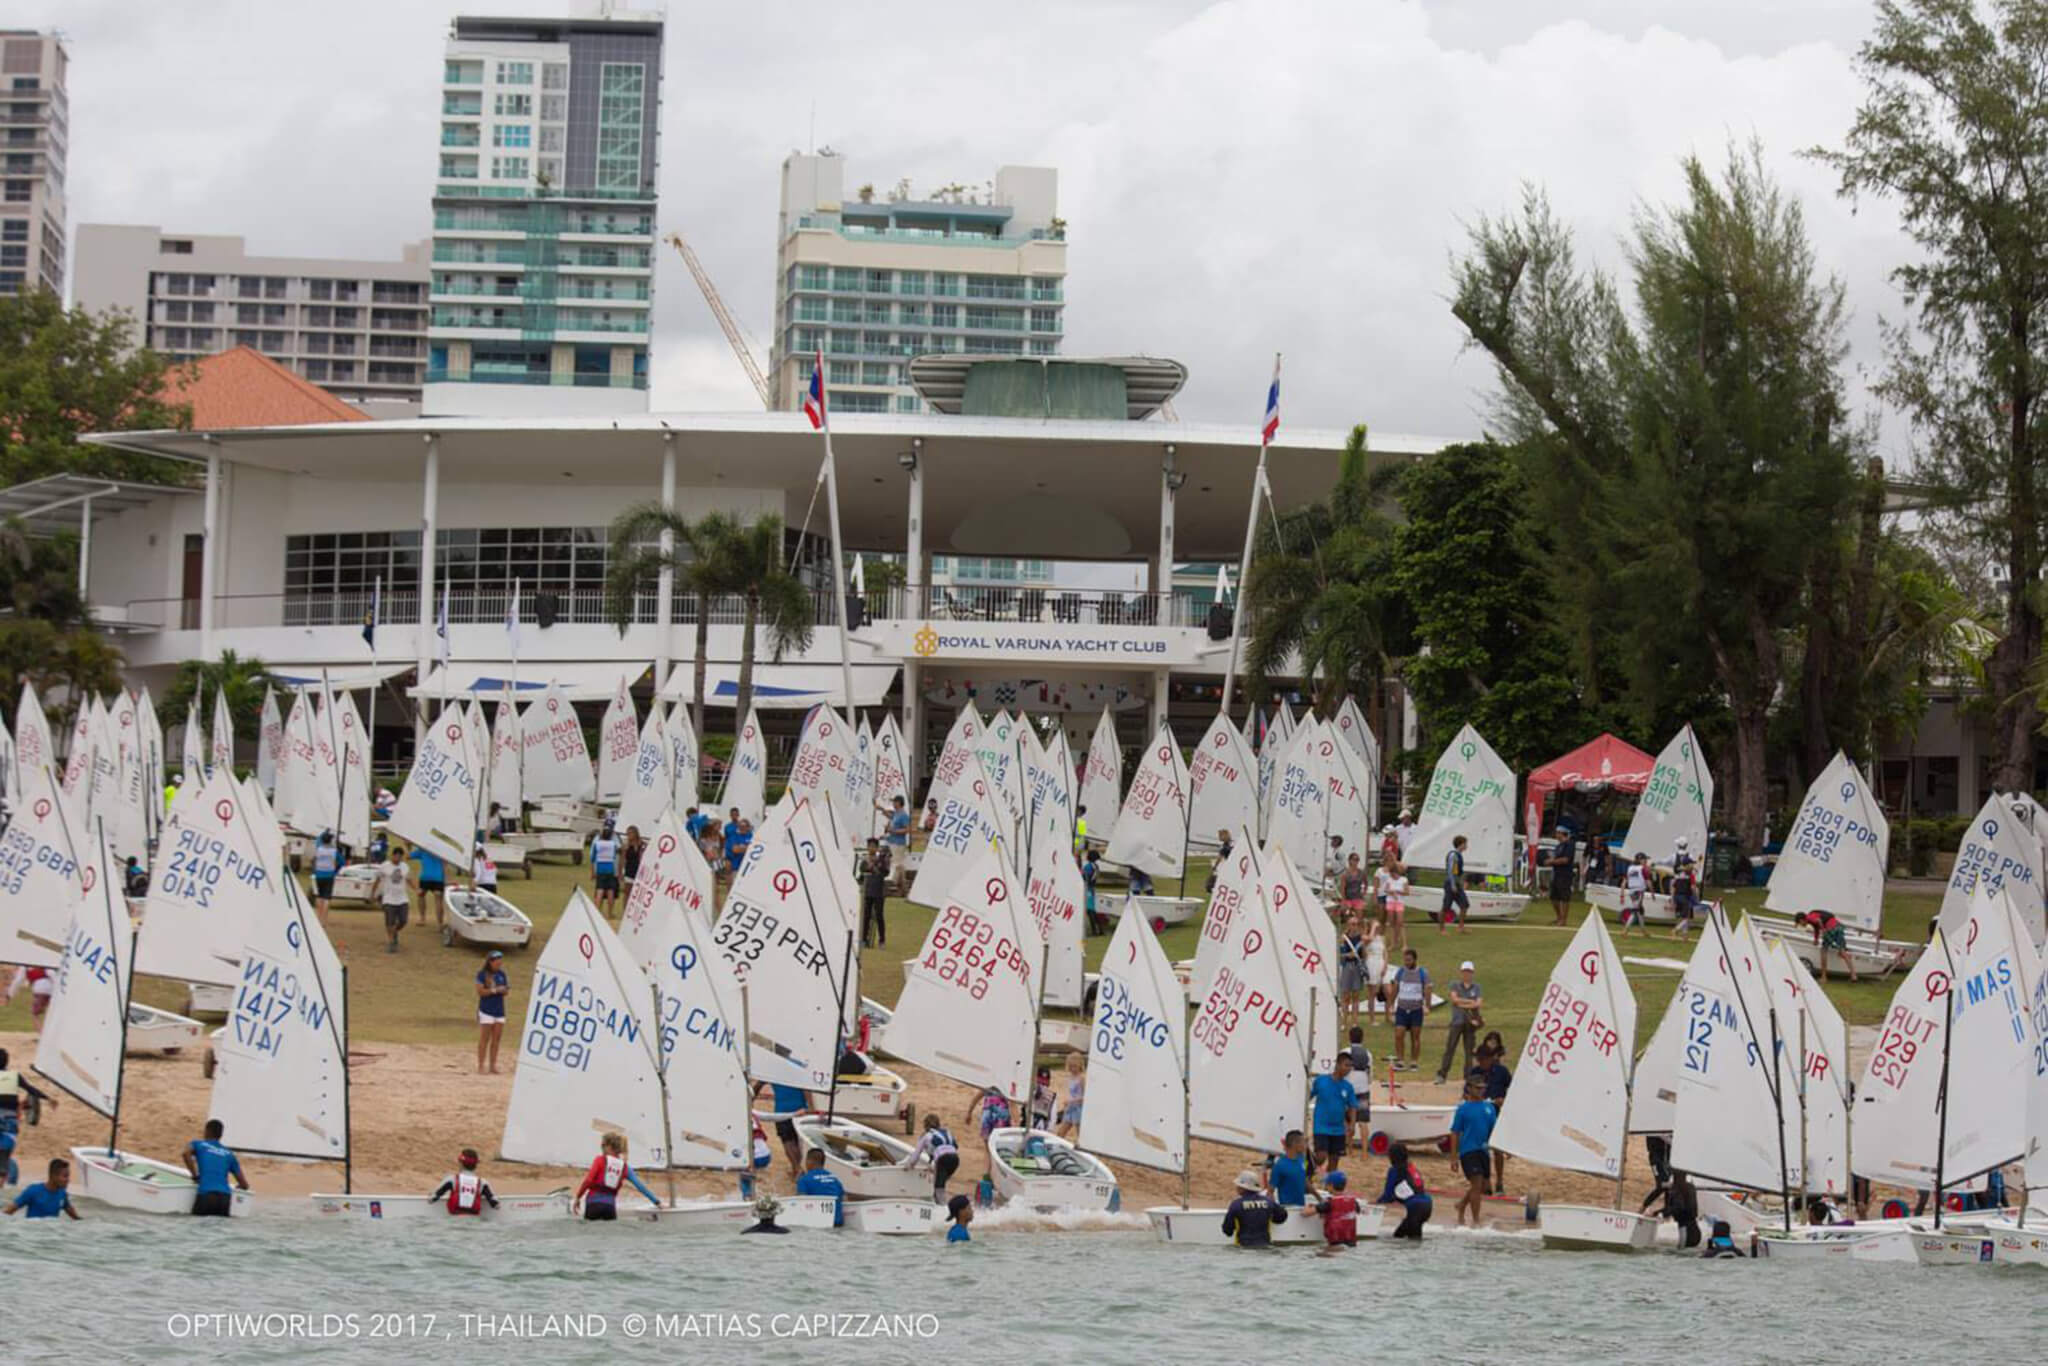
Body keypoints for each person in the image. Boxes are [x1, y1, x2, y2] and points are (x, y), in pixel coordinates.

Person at [574, 1131, 661, 1220]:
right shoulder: (625, 1167)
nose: (601, 1148)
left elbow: (588, 1181)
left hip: (593, 1205)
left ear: (608, 1146)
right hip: (610, 1208)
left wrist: (578, 1197)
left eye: (602, 1145)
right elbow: (640, 1187)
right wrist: (657, 1202)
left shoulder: (599, 1160)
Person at [0, 1049, 54, 1188]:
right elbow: (31, 1090)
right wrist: (48, 1098)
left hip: (6, 1119)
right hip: (9, 1124)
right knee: (4, 1157)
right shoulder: (14, 1076)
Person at [1449, 1076, 1496, 1226]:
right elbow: (1455, 1133)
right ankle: (1476, 1221)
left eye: (1483, 1088)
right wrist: (1453, 1157)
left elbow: (1494, 1131)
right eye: (1478, 1087)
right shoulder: (1463, 1109)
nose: (1481, 1090)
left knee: (1484, 1187)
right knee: (1476, 1184)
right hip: (1468, 1151)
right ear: (1469, 1088)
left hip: (1483, 1151)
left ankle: (1462, 1205)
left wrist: (1501, 1148)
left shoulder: (1490, 1107)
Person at [183, 1118, 249, 1216]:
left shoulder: (198, 1144)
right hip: (225, 1198)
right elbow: (245, 1185)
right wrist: (238, 1187)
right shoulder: (229, 1154)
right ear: (221, 1135)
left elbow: (185, 1153)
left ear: (207, 1131)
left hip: (206, 1195)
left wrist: (195, 1176)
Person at [1435, 961, 1483, 1085]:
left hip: (1470, 1023)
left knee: (1469, 1051)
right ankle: (1442, 1074)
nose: (1467, 974)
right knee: (1450, 1048)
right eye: (1465, 971)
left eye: (1469, 972)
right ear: (1462, 973)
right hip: (1457, 1021)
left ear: (1472, 973)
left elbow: (1478, 1003)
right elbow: (1455, 1000)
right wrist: (1470, 1002)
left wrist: (1463, 1003)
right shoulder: (1455, 985)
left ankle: (1468, 1077)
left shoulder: (1477, 987)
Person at [1475, 1032, 1513, 1188]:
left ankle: (1500, 1180)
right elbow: (1466, 1093)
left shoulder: (1502, 1072)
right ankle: (1486, 1180)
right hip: (1480, 1114)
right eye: (1479, 1059)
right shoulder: (1475, 1073)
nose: (1480, 1062)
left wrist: (1504, 1101)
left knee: (1497, 1149)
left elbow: (1512, 1089)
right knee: (1482, 1150)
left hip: (1496, 1113)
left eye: (1483, 1059)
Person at [1378, 1142, 1432, 1240]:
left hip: (1416, 1208)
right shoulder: (1411, 1167)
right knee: (1402, 1237)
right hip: (1427, 1205)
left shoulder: (1394, 1170)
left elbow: (1387, 1195)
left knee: (1406, 1240)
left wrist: (1376, 1203)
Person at [1222, 1168, 1287, 1247]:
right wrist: (1271, 1218)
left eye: (1238, 1185)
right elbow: (1282, 1216)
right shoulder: (1269, 1202)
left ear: (1243, 1188)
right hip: (1266, 1247)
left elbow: (1227, 1230)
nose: (1237, 1187)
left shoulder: (1236, 1205)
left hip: (1243, 1248)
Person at [904, 1114, 961, 1202]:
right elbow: (954, 1147)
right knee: (940, 1182)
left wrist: (909, 1166)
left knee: (938, 1188)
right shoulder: (947, 1131)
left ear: (925, 1126)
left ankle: (941, 1208)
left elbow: (916, 1155)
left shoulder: (926, 1136)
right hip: (955, 1160)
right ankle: (938, 1202)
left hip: (943, 1160)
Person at [1796, 908, 1859, 982]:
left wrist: (1823, 930)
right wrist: (1816, 939)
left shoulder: (1809, 917)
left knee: (1823, 951)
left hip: (1830, 928)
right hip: (1838, 926)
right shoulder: (1811, 918)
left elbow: (1818, 921)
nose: (1802, 925)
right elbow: (1816, 928)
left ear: (1801, 920)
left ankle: (1824, 977)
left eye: (1800, 923)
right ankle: (1853, 975)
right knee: (1842, 951)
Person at [1390, 949, 1428, 1072]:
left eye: (1409, 960)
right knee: (1399, 1034)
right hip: (1402, 1008)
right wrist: (1390, 1003)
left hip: (1416, 1009)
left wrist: (1427, 1005)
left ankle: (1414, 1062)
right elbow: (1395, 988)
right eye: (1405, 960)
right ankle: (1400, 1060)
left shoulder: (1422, 973)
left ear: (1415, 960)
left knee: (1415, 1036)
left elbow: (1427, 989)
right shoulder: (1400, 972)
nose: (1406, 962)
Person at [4, 1157, 78, 1220]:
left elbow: (76, 1219)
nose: (68, 1180)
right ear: (53, 1176)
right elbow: (7, 1213)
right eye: (65, 1176)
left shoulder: (62, 1194)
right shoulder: (33, 1191)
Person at [431, 1149, 499, 1215]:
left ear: (461, 1163)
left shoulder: (452, 1179)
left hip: (454, 1220)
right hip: (475, 1221)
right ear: (476, 1165)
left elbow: (432, 1198)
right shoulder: (483, 1182)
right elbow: (496, 1204)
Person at [1649, 1170, 1701, 1248]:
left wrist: (1658, 1213)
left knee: (1681, 1253)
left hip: (1685, 1230)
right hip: (1695, 1229)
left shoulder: (1677, 1188)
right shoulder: (1691, 1187)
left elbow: (1678, 1207)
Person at [476, 949, 509, 1074]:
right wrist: (494, 990)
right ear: (490, 962)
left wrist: (503, 990)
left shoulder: (502, 974)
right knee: (485, 1039)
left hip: (499, 1011)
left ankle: (493, 1065)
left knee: (496, 1039)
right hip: (486, 1010)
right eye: (497, 961)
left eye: (500, 961)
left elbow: (506, 991)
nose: (499, 963)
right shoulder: (482, 974)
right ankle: (480, 1065)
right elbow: (480, 992)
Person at [376, 843, 412, 953]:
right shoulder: (384, 866)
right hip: (388, 898)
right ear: (392, 856)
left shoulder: (405, 867)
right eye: (396, 856)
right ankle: (391, 942)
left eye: (400, 856)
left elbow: (409, 879)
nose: (398, 858)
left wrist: (416, 889)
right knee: (389, 922)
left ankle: (395, 932)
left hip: (402, 898)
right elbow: (377, 880)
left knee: (403, 920)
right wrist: (374, 893)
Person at [1314, 1169, 1360, 1249]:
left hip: (1335, 1244)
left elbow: (1305, 1213)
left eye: (1326, 1184)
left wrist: (1310, 1207)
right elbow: (1358, 1211)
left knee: (1319, 1254)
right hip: (1351, 1244)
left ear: (1331, 1186)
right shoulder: (1353, 1201)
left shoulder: (1329, 1203)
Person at [858, 837, 890, 948]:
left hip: (879, 891)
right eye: (869, 846)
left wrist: (876, 866)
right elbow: (862, 873)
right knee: (866, 916)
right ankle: (863, 939)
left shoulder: (881, 859)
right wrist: (870, 867)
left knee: (879, 915)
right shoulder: (864, 860)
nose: (871, 848)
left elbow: (885, 872)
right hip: (868, 891)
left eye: (873, 846)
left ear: (877, 848)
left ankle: (882, 940)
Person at [1337, 916, 1368, 1030]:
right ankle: (1344, 1021)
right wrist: (1347, 955)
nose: (1354, 926)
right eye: (1352, 924)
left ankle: (1354, 1022)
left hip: (1356, 966)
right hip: (1346, 966)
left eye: (1356, 924)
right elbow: (1338, 955)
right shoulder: (1343, 938)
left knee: (1355, 995)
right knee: (1345, 995)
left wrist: (1363, 950)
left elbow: (1364, 956)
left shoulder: (1361, 939)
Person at [410, 841, 449, 929]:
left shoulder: (423, 849)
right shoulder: (441, 850)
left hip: (427, 877)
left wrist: (406, 845)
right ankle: (439, 923)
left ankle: (423, 919)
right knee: (437, 899)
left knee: (422, 895)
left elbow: (408, 856)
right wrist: (446, 879)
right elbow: (445, 865)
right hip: (437, 878)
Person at [1268, 1130, 1311, 1207]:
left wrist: (1320, 1199)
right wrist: (1276, 1210)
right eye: (1303, 1142)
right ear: (1295, 1144)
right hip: (1288, 1209)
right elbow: (1270, 1192)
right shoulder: (1279, 1166)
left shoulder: (1302, 1159)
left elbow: (1304, 1180)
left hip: (1301, 1208)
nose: (1305, 1145)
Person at [879, 795, 912, 894]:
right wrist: (881, 809)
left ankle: (892, 882)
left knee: (897, 863)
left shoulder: (903, 815)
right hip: (892, 841)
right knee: (899, 864)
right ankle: (903, 887)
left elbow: (907, 829)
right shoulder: (897, 814)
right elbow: (890, 817)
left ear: (899, 802)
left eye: (894, 802)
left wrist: (892, 830)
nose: (893, 803)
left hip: (899, 843)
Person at [1669, 836, 1700, 939]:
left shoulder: (1678, 876)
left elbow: (1673, 887)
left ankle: (1685, 935)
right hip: (1686, 897)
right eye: (1691, 864)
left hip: (1678, 896)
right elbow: (1693, 887)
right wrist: (1696, 897)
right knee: (1686, 918)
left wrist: (1672, 899)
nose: (1692, 865)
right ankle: (1675, 930)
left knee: (1684, 916)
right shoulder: (1690, 876)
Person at [1439, 835, 1471, 933]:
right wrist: (1453, 885)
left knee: (1465, 905)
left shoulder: (1459, 855)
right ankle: (1442, 929)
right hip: (1450, 884)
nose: (1466, 846)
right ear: (1461, 844)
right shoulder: (1453, 855)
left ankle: (1460, 927)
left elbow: (1458, 872)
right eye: (1465, 844)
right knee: (1446, 907)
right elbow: (1450, 871)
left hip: (1457, 884)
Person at [589, 823, 622, 918]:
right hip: (610, 869)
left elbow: (592, 859)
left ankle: (596, 912)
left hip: (600, 869)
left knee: (599, 890)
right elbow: (615, 856)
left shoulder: (597, 844)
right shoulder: (613, 845)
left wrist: (592, 872)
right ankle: (610, 913)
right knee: (610, 891)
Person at [1547, 826, 1575, 927]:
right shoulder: (1558, 846)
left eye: (1557, 833)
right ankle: (1559, 917)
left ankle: (1564, 920)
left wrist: (1552, 861)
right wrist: (1549, 860)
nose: (1556, 835)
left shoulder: (1569, 845)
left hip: (1565, 874)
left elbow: (1566, 860)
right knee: (1553, 897)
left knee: (1564, 897)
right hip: (1556, 873)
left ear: (1562, 833)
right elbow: (1555, 858)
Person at [1638, 1134, 1675, 1212]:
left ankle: (1666, 1213)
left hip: (1668, 1157)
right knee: (1662, 1185)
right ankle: (1643, 1206)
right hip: (1656, 1157)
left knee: (1671, 1185)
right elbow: (1661, 1135)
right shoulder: (1655, 1126)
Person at [1380, 857, 1409, 956]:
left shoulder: (1404, 880)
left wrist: (1398, 892)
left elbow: (1407, 892)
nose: (1392, 875)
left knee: (1400, 922)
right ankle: (1393, 943)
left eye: (1393, 873)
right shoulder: (1389, 880)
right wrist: (1391, 892)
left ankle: (1404, 944)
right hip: (1390, 902)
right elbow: (1386, 890)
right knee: (1391, 923)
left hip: (1399, 902)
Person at [310, 831, 341, 922]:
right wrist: (336, 870)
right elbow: (342, 862)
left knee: (319, 896)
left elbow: (313, 860)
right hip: (329, 874)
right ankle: (324, 919)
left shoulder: (318, 850)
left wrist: (315, 869)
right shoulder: (334, 851)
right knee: (326, 897)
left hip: (319, 874)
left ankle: (318, 917)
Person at [1056, 1054, 1086, 1140]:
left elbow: (1085, 1097)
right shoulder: (1071, 1077)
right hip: (1071, 1108)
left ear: (1080, 1065)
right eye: (1071, 1066)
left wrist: (1071, 1101)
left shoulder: (1082, 1078)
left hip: (1079, 1109)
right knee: (1060, 1133)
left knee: (1080, 1135)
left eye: (1075, 1066)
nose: (1073, 1069)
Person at [1620, 853, 1650, 936]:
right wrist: (1652, 892)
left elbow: (1624, 882)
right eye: (1645, 859)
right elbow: (1648, 881)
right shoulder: (1642, 869)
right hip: (1638, 891)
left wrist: (1622, 894)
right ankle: (1625, 930)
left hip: (1632, 891)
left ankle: (1643, 930)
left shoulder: (1630, 868)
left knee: (1639, 911)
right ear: (1640, 860)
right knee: (1635, 911)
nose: (1646, 861)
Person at [1081, 848, 1105, 936]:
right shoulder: (1096, 866)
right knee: (1092, 910)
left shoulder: (1088, 867)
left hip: (1087, 889)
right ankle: (1099, 930)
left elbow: (1084, 877)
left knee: (1090, 911)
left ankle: (1095, 931)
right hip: (1092, 888)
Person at [620, 825, 646, 906]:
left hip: (640, 871)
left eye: (630, 833)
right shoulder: (626, 845)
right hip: (629, 870)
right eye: (627, 834)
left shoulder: (642, 844)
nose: (628, 835)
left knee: (638, 893)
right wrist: (620, 872)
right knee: (627, 892)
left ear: (635, 833)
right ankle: (625, 911)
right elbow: (622, 860)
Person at [1029, 1066, 1056, 1132]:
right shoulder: (1030, 1092)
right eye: (1040, 1082)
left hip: (1042, 1125)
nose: (1042, 1086)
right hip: (1031, 1124)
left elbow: (1053, 1114)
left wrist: (1050, 1128)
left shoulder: (1052, 1096)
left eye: (1044, 1083)